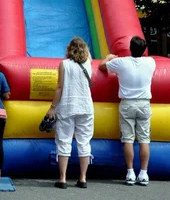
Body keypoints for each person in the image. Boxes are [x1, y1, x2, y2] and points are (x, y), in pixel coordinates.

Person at [99, 36, 156, 186]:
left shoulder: (121, 62)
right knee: (144, 139)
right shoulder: (150, 62)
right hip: (144, 104)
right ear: (144, 50)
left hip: (127, 104)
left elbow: (102, 66)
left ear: (130, 48)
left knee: (128, 139)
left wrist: (108, 57)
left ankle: (130, 172)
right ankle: (143, 173)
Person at [46, 37, 94, 189]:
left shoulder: (64, 64)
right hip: (86, 107)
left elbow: (59, 87)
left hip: (67, 106)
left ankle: (62, 178)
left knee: (64, 141)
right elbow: (89, 56)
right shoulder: (88, 63)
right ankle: (83, 178)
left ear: (69, 49)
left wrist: (53, 107)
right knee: (84, 142)